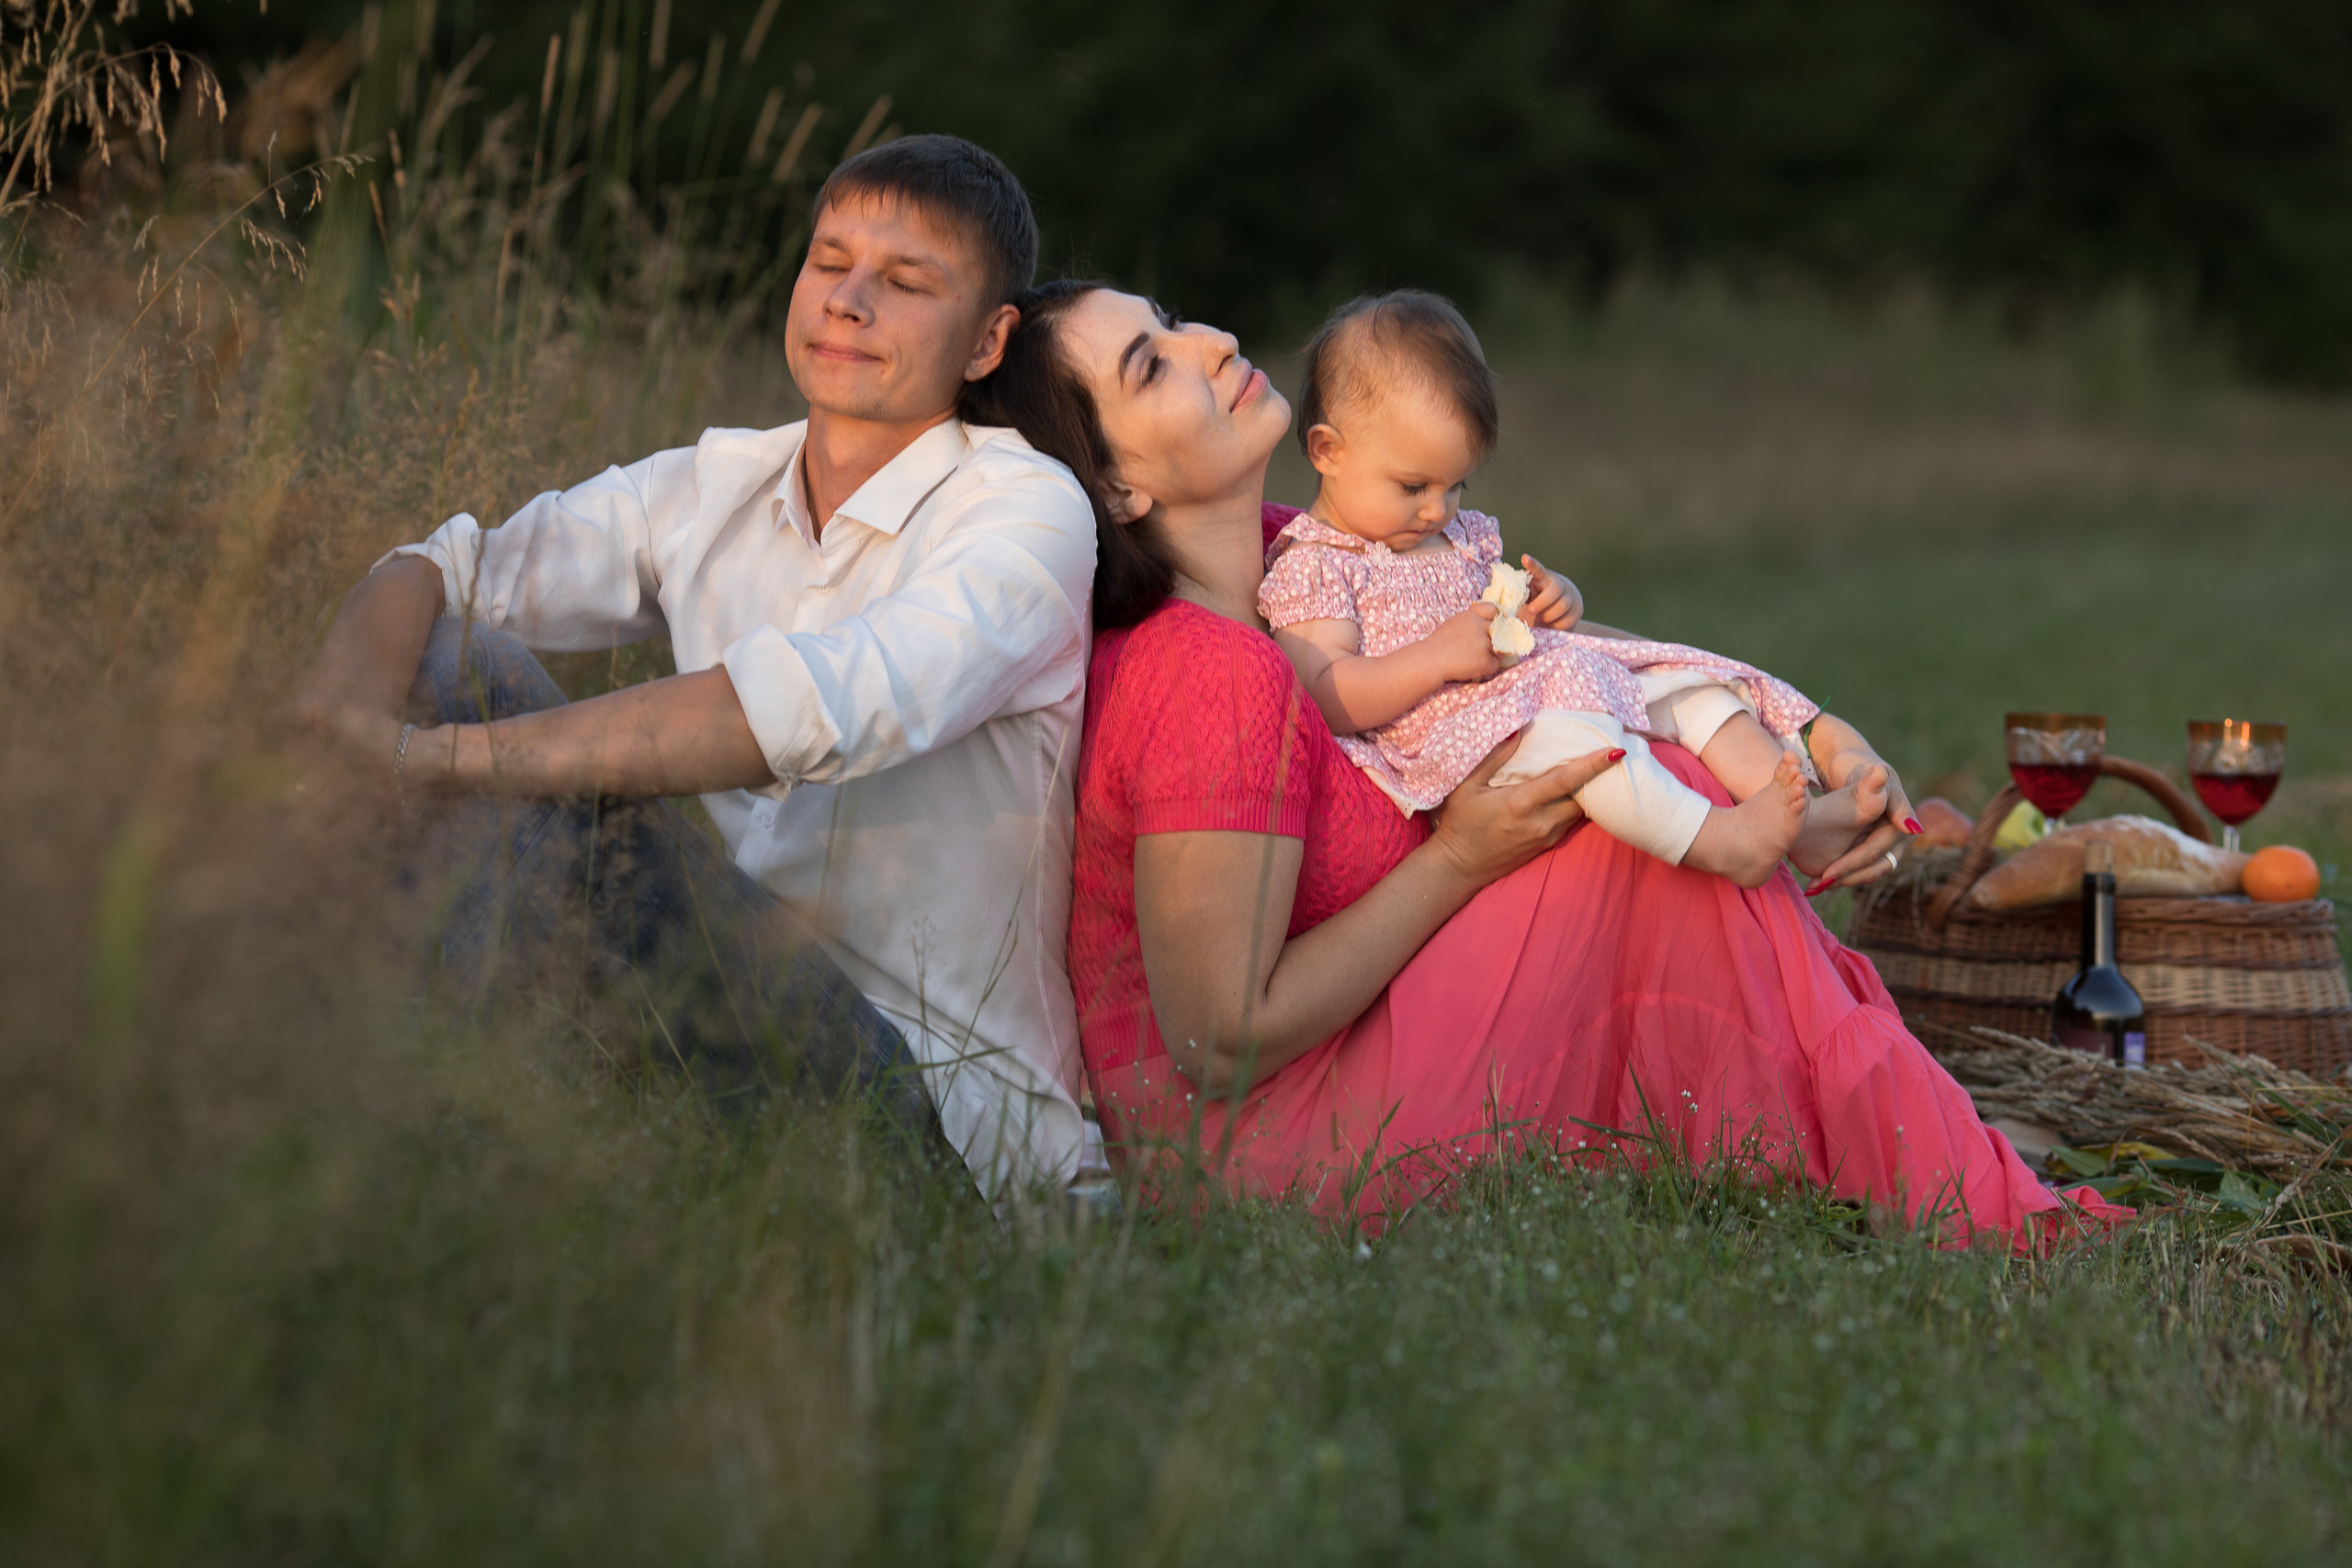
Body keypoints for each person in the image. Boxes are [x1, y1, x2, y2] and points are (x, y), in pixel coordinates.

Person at [959, 279, 2128, 1250]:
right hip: (1255, 1150)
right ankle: (1944, 1179)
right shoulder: (1208, 672)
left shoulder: (1296, 562)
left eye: (1173, 320)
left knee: (1636, 776)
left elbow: (1548, 668)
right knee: (1635, 843)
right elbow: (1220, 1042)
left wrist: (1793, 732)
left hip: (1335, 1056)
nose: (1211, 344)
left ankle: (1896, 1141)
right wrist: (1463, 858)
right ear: (1116, 486)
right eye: (1153, 365)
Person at [290, 137, 1098, 1202]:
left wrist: (434, 759)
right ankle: (364, 1092)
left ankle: (409, 1151)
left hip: (931, 1120)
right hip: (704, 1023)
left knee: (516, 738)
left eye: (904, 284)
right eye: (828, 263)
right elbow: (438, 568)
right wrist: (331, 723)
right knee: (448, 654)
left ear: (989, 340)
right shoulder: (717, 483)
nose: (847, 302)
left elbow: (803, 713)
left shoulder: (1024, 512)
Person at [1261, 289, 1899, 889]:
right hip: (1470, 743)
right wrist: (1434, 657)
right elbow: (1327, 692)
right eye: (1413, 487)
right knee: (1585, 746)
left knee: (1689, 692)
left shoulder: (1455, 537)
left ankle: (1804, 826)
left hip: (1541, 683)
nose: (1437, 509)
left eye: (1456, 486)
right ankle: (1719, 840)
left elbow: (1521, 622)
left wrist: (1552, 602)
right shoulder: (1318, 564)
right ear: (1328, 451)